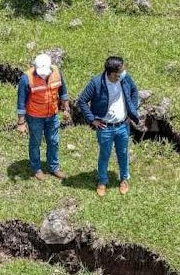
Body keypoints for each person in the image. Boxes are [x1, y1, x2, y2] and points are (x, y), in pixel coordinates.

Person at [76, 56, 139, 197]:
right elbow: (82, 101)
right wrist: (92, 119)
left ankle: (124, 179)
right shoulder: (96, 83)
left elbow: (134, 92)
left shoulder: (125, 78)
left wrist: (132, 111)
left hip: (123, 125)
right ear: (112, 73)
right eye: (120, 71)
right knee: (105, 154)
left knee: (123, 153)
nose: (123, 72)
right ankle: (102, 181)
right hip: (105, 128)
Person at [16, 53, 70, 180]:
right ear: (35, 67)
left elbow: (63, 91)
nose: (43, 75)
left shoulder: (57, 72)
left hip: (52, 114)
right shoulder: (26, 78)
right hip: (35, 116)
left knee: (53, 141)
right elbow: (21, 102)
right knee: (35, 142)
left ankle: (54, 167)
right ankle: (36, 168)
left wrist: (66, 109)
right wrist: (21, 123)